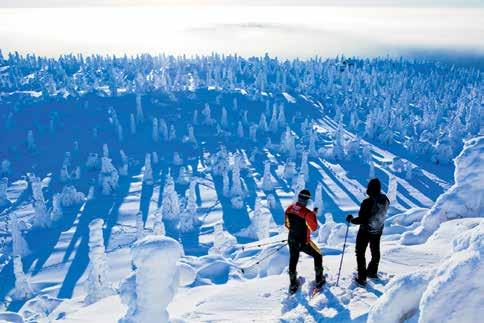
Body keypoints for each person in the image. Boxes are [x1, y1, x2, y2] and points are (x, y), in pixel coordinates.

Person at [346, 178, 389, 286]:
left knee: (360, 252)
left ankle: (362, 278)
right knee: (375, 251)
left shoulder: (367, 202)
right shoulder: (385, 199)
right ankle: (372, 272)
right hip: (378, 230)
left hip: (365, 231)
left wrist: (351, 220)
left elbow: (362, 219)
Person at [285, 189, 324, 293]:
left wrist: (295, 230)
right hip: (303, 242)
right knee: (318, 255)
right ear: (307, 200)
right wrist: (313, 215)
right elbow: (314, 228)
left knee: (293, 259)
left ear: (299, 197)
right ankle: (319, 280)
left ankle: (293, 284)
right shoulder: (307, 213)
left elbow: (287, 224)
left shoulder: (289, 208)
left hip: (292, 239)